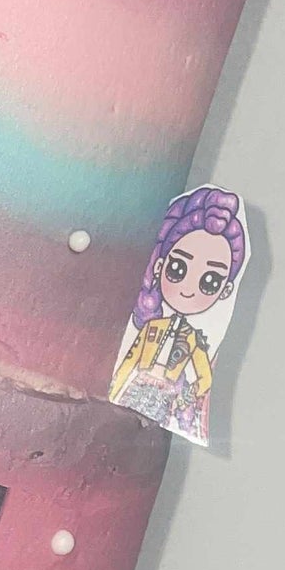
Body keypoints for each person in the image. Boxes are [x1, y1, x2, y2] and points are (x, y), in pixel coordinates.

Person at [111, 186, 248, 443]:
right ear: (160, 265)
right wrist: (115, 389)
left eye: (210, 281)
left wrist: (183, 399)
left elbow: (203, 377)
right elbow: (129, 359)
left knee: (136, 438)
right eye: (177, 268)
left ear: (226, 290)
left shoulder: (194, 340)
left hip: (165, 400)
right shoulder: (152, 328)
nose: (187, 289)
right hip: (135, 389)